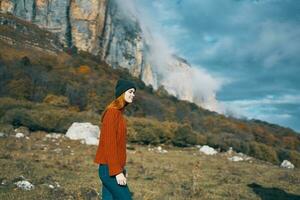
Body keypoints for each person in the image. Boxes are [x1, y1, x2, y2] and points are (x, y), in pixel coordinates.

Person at [94, 79, 136, 200]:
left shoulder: (119, 114)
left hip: (112, 168)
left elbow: (118, 146)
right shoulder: (112, 113)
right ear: (122, 93)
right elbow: (110, 145)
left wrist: (122, 169)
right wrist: (117, 172)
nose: (133, 95)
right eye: (130, 91)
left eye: (134, 92)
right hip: (109, 170)